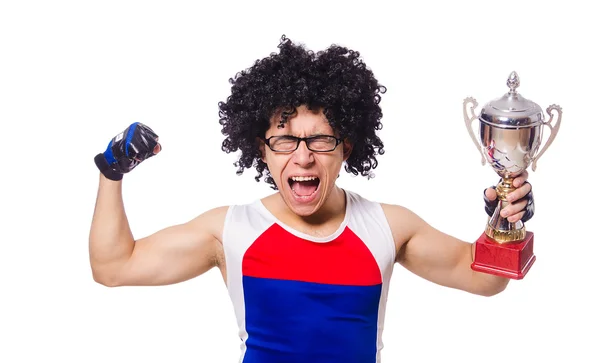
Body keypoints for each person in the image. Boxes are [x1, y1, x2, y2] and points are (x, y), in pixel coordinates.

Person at [89, 35, 534, 363]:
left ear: (347, 148)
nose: (302, 157)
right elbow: (113, 267)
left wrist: (506, 222)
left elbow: (485, 280)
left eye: (320, 140)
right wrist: (112, 172)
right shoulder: (229, 231)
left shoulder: (389, 226)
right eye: (284, 140)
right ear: (261, 150)